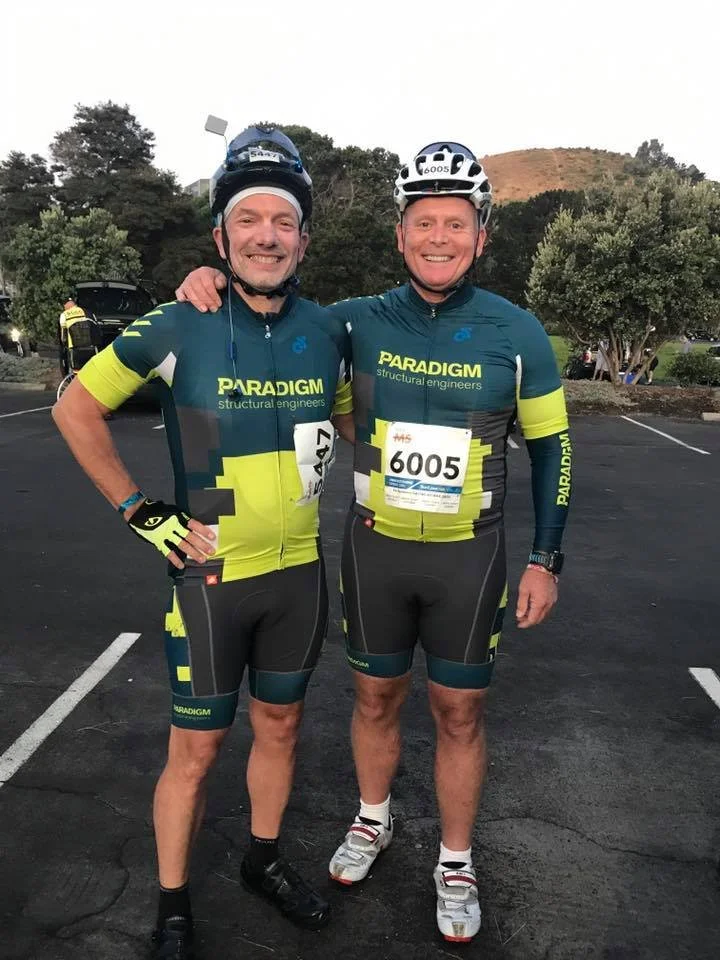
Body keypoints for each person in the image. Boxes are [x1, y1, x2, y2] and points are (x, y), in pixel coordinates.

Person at [176, 139, 572, 944]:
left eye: (455, 225)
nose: (438, 237)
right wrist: (207, 278)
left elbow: (552, 448)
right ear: (400, 234)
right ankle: (372, 817)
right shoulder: (352, 322)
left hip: (471, 554)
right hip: (374, 549)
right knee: (373, 697)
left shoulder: (517, 331)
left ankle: (455, 861)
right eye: (423, 222)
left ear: (480, 237)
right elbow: (267, 302)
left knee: (460, 711)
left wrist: (546, 558)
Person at [53, 126, 353, 959]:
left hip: (299, 576)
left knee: (282, 727)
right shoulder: (180, 322)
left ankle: (261, 859)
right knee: (195, 748)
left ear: (301, 237)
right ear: (220, 238)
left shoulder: (330, 332)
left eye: (282, 221)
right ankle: (174, 902)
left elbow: (353, 419)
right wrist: (138, 511)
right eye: (247, 220)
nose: (266, 235)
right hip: (210, 575)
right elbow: (76, 407)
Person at [58, 297, 97, 374]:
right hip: (91, 348)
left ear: (66, 306)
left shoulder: (64, 315)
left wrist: (65, 347)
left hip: (75, 350)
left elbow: (63, 338)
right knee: (92, 371)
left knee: (77, 374)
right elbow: (97, 331)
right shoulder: (88, 312)